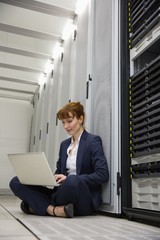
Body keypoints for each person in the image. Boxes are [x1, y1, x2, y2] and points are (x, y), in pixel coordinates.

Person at [9, 101, 109, 218]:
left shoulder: (93, 141)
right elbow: (59, 171)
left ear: (81, 119)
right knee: (16, 181)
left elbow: (103, 174)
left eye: (69, 121)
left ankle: (37, 206)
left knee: (72, 180)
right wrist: (51, 177)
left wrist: (69, 178)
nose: (66, 126)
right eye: (63, 122)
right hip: (61, 193)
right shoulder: (64, 145)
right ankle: (53, 210)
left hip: (81, 196)